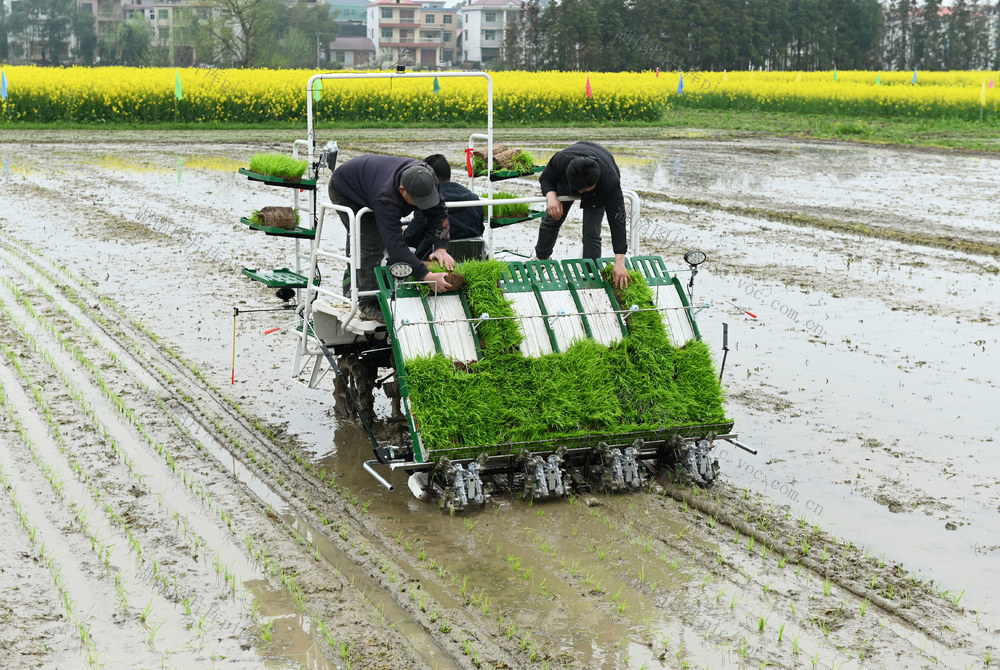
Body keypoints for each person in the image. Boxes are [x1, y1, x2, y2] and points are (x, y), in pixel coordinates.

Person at [328, 154, 456, 320]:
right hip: (346, 188)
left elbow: (438, 212)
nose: (422, 205)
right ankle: (367, 302)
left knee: (366, 239)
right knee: (370, 242)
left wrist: (441, 247)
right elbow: (394, 244)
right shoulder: (386, 197)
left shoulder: (427, 175)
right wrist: (426, 276)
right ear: (402, 190)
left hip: (372, 179)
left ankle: (359, 284)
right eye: (418, 201)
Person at [533, 141, 630, 289]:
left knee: (592, 231)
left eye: (586, 189)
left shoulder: (609, 182)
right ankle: (541, 260)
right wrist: (551, 197)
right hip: (571, 181)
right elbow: (546, 178)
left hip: (598, 187)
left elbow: (617, 220)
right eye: (580, 190)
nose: (582, 193)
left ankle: (590, 273)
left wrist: (620, 261)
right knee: (551, 218)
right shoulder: (561, 159)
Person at [405, 154, 485, 261]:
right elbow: (480, 230)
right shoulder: (473, 198)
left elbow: (411, 238)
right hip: (472, 258)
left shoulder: (427, 202)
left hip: (432, 258)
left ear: (428, 177)